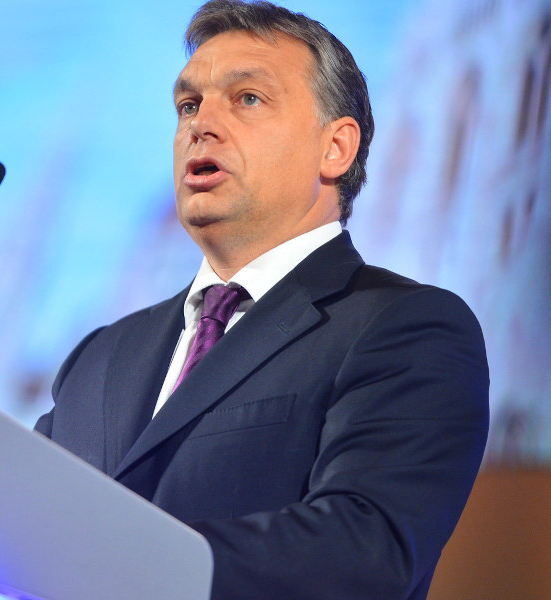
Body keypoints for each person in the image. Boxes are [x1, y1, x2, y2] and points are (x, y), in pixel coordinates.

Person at [34, 1, 489, 598]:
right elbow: (21, 516)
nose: (201, 124)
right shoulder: (100, 356)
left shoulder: (406, 327)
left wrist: (123, 558)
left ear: (336, 149)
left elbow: (365, 547)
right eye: (189, 105)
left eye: (247, 98)